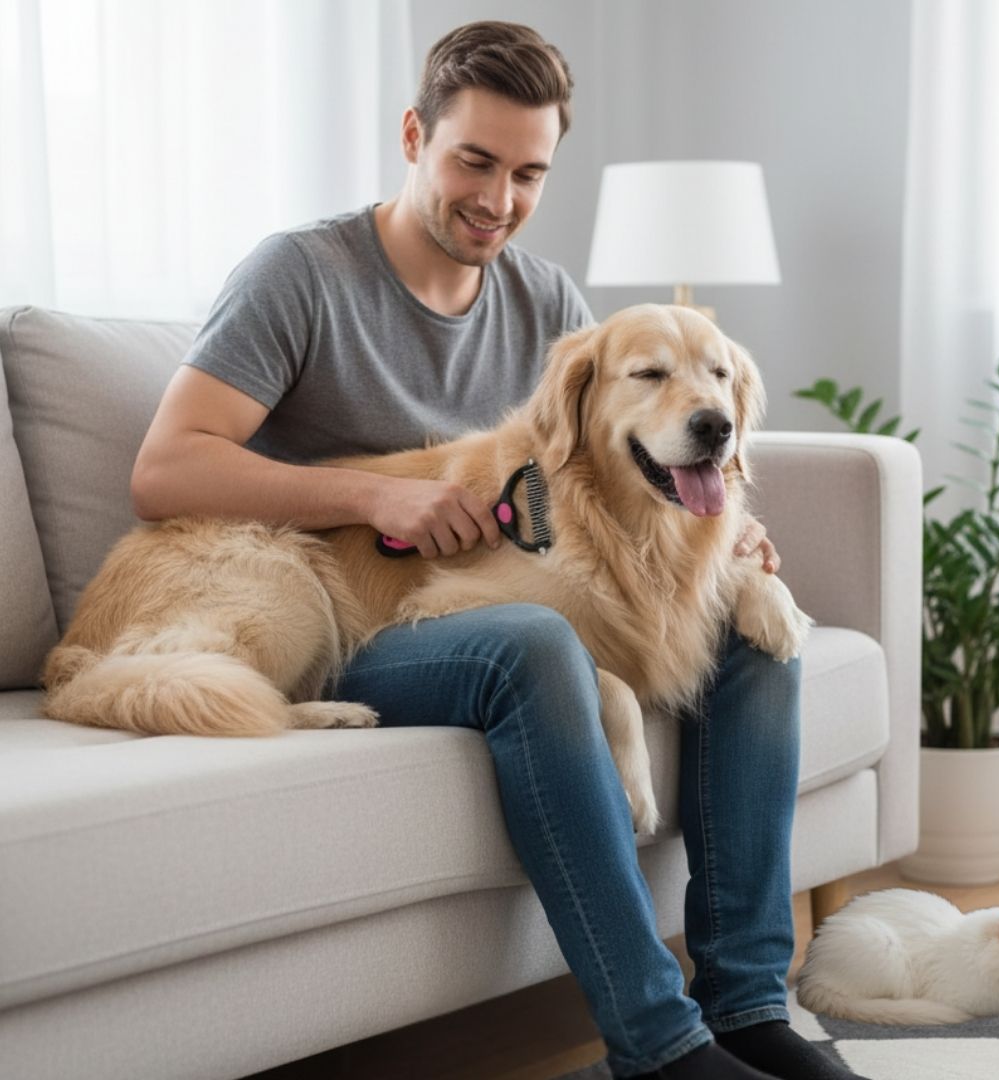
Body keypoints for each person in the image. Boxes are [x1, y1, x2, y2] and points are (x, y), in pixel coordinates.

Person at [131, 21, 867, 1080]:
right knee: (531, 642)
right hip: (364, 610)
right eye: (474, 160)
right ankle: (658, 1048)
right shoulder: (299, 273)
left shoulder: (546, 300)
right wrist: (376, 492)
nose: (498, 199)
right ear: (413, 135)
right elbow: (164, 470)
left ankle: (748, 1006)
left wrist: (714, 527)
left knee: (758, 631)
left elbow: (589, 483)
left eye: (528, 173)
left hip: (508, 590)